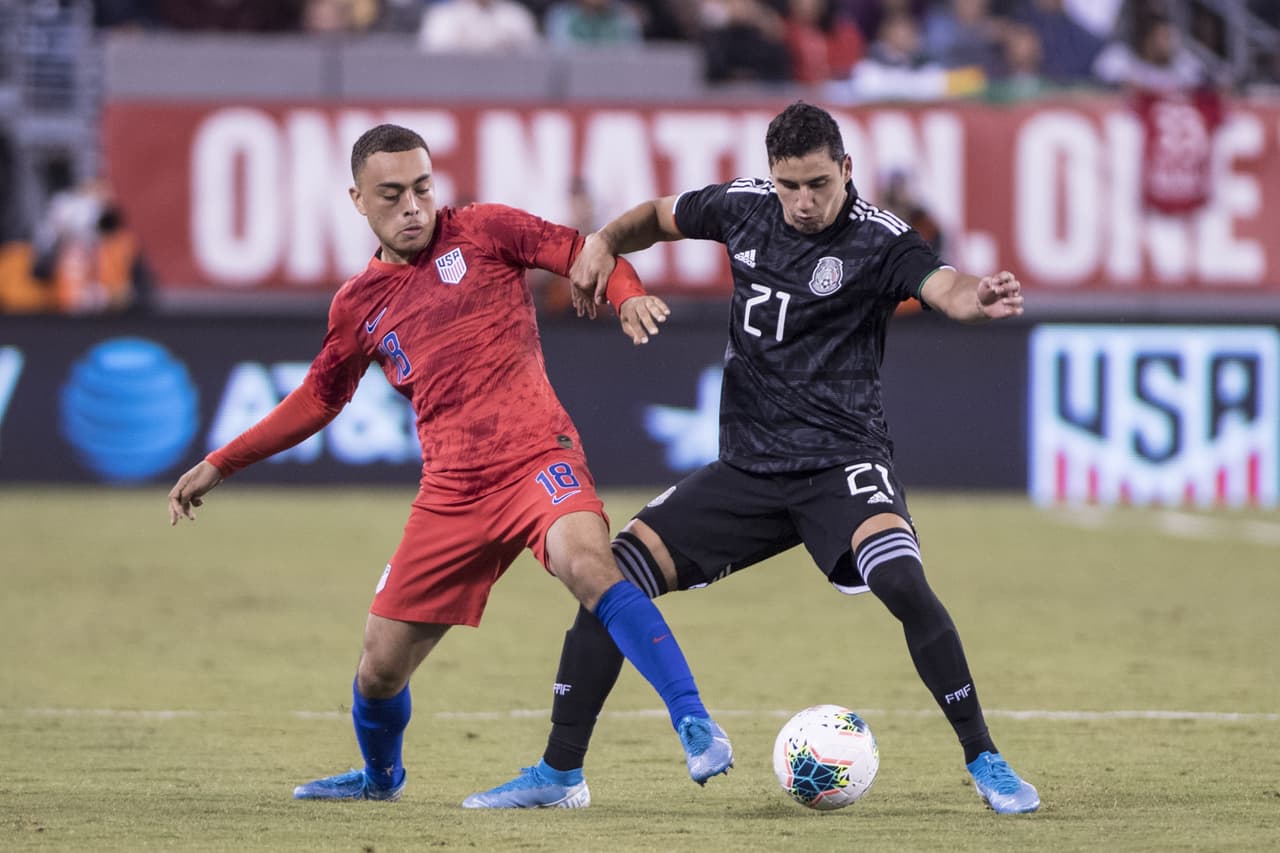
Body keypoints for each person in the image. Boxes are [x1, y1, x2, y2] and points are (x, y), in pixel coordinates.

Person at [465, 102, 1040, 815]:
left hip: (842, 464)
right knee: (610, 581)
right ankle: (559, 772)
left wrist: (976, 296)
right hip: (747, 471)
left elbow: (942, 284)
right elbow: (656, 215)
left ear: (847, 171)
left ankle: (985, 757)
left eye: (819, 184)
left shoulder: (880, 240)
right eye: (790, 184)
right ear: (772, 177)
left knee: (901, 581)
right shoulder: (743, 206)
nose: (803, 201)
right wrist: (605, 241)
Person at [166, 124, 732, 803]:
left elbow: (588, 250)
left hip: (535, 458)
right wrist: (221, 463)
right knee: (378, 669)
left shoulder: (486, 230)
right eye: (392, 194)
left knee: (590, 563)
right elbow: (317, 400)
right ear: (357, 199)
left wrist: (626, 292)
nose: (413, 206)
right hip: (451, 493)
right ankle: (380, 779)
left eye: (422, 187)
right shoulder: (358, 306)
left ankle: (695, 723)